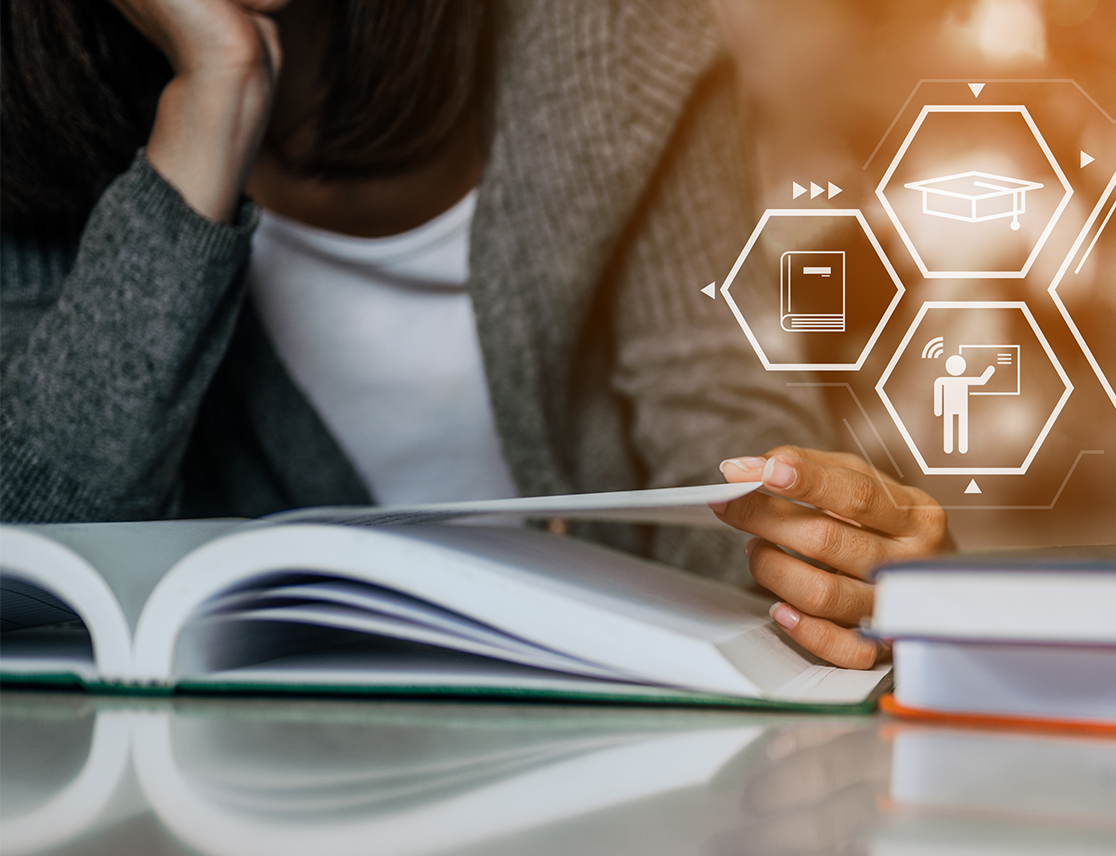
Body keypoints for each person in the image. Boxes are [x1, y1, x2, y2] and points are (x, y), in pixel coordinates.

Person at [0, 0, 948, 669]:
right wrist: (214, 96)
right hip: (209, 777)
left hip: (602, 749)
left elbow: (718, 425)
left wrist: (832, 560)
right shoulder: (31, 100)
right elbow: (29, 547)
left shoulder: (612, 33)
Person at [933, 354, 992, 454]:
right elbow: (937, 393)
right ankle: (948, 447)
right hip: (949, 408)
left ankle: (962, 447)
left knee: (962, 426)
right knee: (949, 425)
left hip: (962, 408)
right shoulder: (942, 380)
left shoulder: (962, 380)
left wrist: (989, 371)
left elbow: (981, 381)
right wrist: (937, 409)